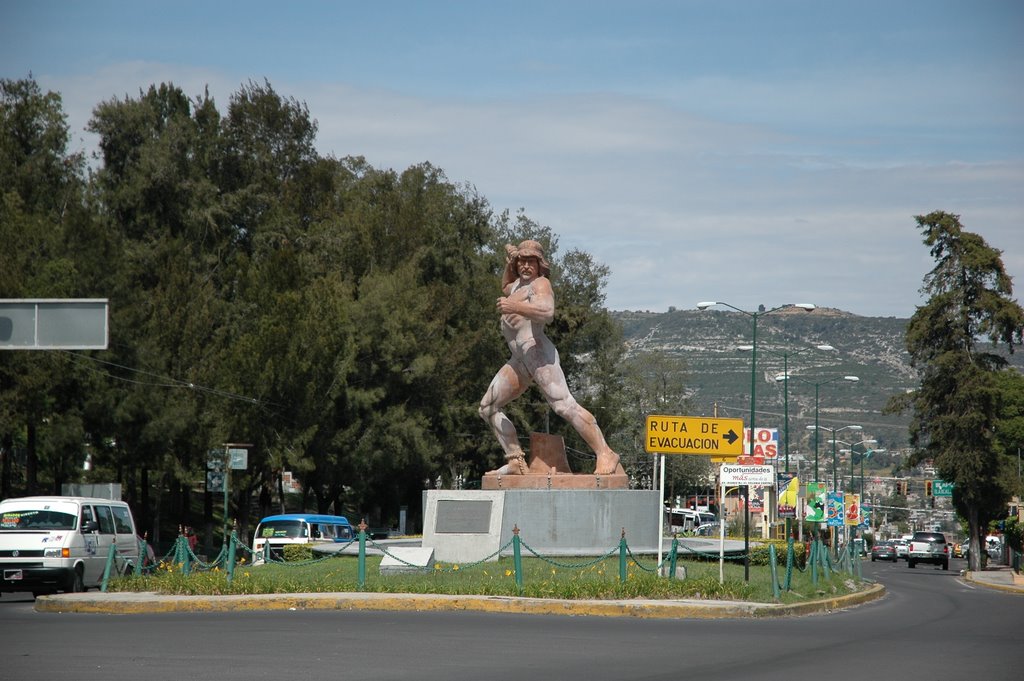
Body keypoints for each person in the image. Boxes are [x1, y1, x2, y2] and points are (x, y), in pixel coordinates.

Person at [479, 239, 620, 476]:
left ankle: (606, 453)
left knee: (564, 406)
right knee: (487, 407)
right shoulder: (516, 287)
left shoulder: (541, 284)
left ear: (539, 264)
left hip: (538, 354)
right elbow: (506, 286)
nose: (525, 266)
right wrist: (509, 265)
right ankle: (516, 460)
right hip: (519, 360)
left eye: (530, 262)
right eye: (521, 261)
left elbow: (547, 312)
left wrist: (516, 308)